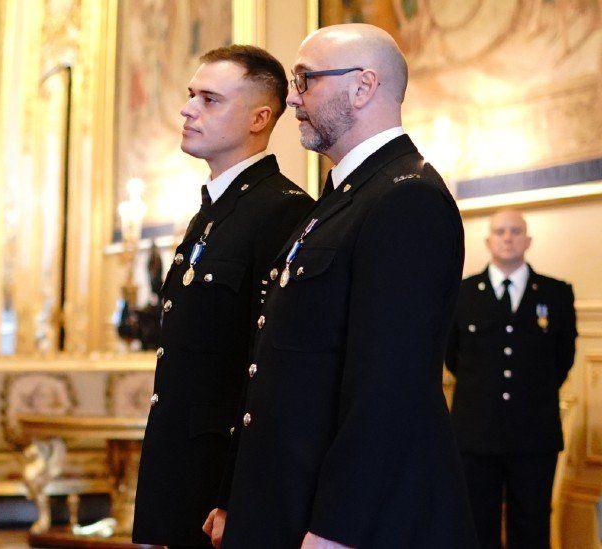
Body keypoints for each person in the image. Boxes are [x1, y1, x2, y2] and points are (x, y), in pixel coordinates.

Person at [203, 24, 477, 548]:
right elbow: (277, 365)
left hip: (347, 520)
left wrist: (337, 529)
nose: (293, 100)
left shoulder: (406, 198)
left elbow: (389, 389)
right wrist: (238, 495)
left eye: (305, 81)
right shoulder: (343, 196)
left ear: (363, 87)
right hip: (288, 499)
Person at [132, 45, 314, 548]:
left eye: (210, 99)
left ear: (260, 117)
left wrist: (238, 494)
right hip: (184, 476)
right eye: (191, 95)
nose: (188, 109)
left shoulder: (281, 211)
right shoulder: (212, 211)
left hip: (223, 487)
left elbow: (270, 369)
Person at [446, 210, 578, 549]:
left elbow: (563, 360)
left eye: (515, 231)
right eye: (500, 231)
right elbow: (452, 357)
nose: (508, 237)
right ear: (488, 241)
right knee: (477, 525)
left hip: (534, 436)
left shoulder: (556, 294)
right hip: (475, 435)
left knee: (532, 527)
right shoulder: (461, 294)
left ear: (528, 240)